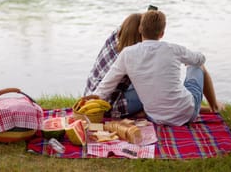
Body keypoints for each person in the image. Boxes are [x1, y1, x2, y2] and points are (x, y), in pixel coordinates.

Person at [93, 10, 223, 126]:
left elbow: (107, 84)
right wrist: (186, 59)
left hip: (155, 118)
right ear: (162, 33)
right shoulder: (173, 49)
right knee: (197, 65)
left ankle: (206, 106)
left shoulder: (127, 54)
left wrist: (93, 98)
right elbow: (200, 59)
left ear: (140, 29)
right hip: (188, 115)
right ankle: (214, 106)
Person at [84, 6, 157, 118]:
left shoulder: (115, 35)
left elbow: (133, 25)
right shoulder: (131, 56)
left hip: (90, 93)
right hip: (107, 106)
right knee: (154, 90)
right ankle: (143, 114)